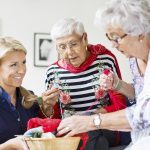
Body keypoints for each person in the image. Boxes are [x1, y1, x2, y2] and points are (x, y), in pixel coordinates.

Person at [57, 0, 150, 149]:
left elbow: (146, 113)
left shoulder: (109, 59)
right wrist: (118, 85)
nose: (113, 44)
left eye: (116, 37)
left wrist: (91, 121)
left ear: (140, 32)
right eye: (109, 37)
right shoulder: (134, 58)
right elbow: (141, 96)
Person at [41, 17, 127, 150]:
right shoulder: (52, 72)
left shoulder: (105, 61)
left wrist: (94, 117)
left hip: (102, 126)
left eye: (73, 44)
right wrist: (47, 106)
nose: (69, 52)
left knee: (93, 137)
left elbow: (120, 103)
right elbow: (53, 116)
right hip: (71, 133)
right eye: (62, 47)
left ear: (84, 39)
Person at [0, 37, 57, 149]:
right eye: (13, 65)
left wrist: (47, 107)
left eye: (23, 62)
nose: (22, 70)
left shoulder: (29, 98)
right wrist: (10, 145)